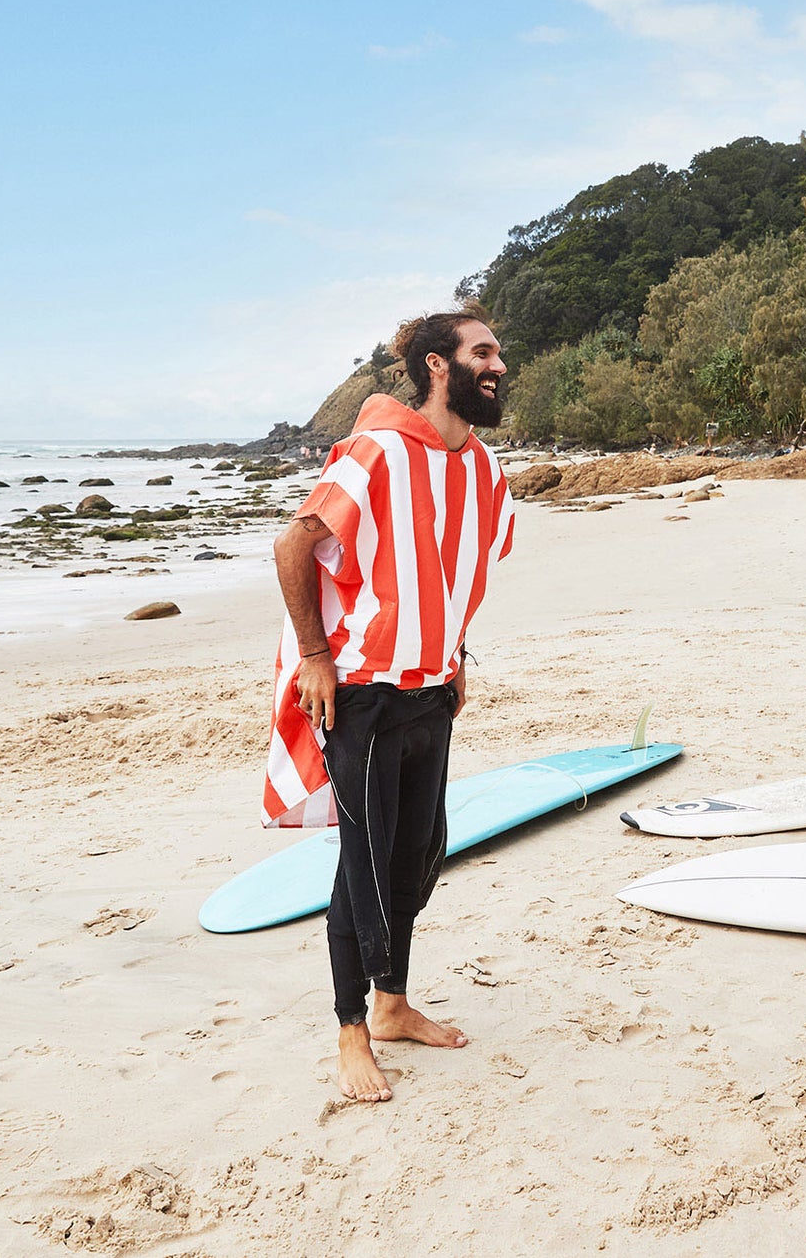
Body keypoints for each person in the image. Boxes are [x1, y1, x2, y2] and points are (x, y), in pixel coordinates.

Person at [270, 310, 513, 1103]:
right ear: (438, 367)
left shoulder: (478, 467)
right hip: (364, 695)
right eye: (483, 352)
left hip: (431, 690)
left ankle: (394, 1005)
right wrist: (313, 656)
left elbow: (449, 569)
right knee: (362, 864)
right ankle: (351, 1030)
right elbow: (294, 544)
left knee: (414, 855)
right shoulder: (374, 452)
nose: (499, 365)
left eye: (498, 353)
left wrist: (457, 655)